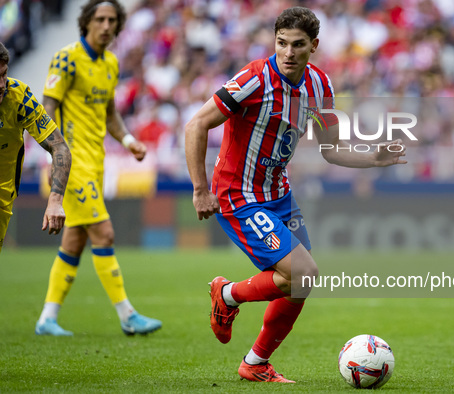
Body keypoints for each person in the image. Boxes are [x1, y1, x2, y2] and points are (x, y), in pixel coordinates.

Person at [184, 6, 407, 383]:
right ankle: (227, 296)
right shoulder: (253, 79)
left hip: (279, 194)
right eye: (281, 43)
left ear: (314, 46)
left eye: (298, 45)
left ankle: (254, 363)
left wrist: (373, 158)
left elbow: (331, 149)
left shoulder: (321, 86)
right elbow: (197, 124)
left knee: (301, 283)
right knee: (303, 271)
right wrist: (200, 188)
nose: (288, 52)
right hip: (239, 194)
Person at [35, 0, 161, 336]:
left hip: (97, 160)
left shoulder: (110, 63)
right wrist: (53, 154)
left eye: (112, 20)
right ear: (87, 22)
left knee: (74, 241)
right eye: (100, 19)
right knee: (104, 233)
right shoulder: (66, 58)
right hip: (71, 162)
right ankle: (127, 315)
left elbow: (109, 115)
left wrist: (129, 140)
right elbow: (47, 110)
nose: (106, 25)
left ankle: (47, 318)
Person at [0, 41, 71, 254]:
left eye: (3, 74)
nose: (1, 84)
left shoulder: (18, 97)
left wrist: (55, 200)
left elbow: (60, 148)